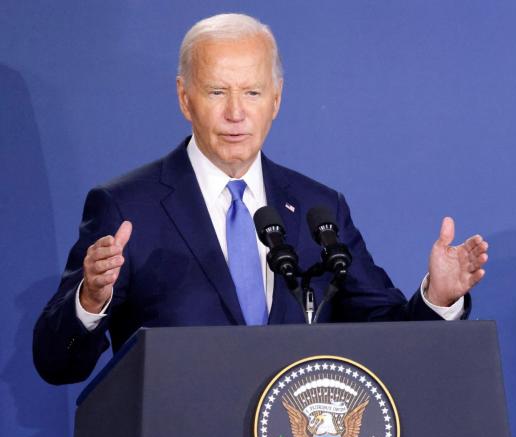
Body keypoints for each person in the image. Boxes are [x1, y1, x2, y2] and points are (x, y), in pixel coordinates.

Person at [33, 13, 488, 386]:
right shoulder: (127, 207)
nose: (236, 113)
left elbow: (387, 335)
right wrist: (90, 300)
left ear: (276, 98)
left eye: (251, 92)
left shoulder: (318, 208)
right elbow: (57, 363)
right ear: (184, 97)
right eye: (217, 92)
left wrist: (437, 299)